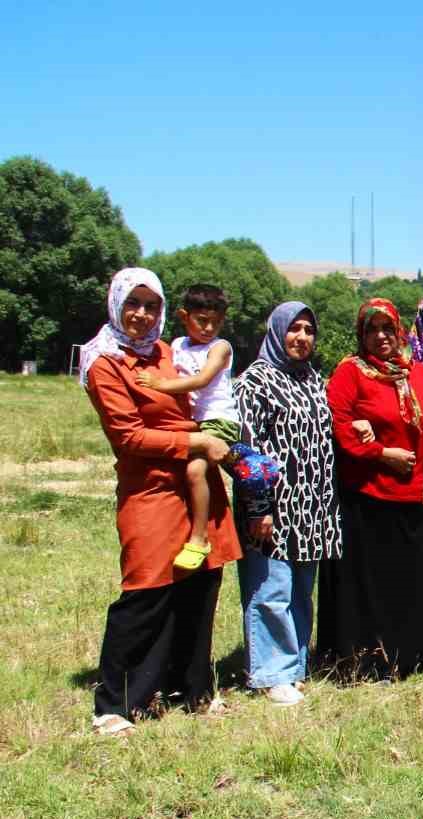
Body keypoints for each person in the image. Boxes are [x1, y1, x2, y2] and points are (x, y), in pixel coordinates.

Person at [83, 269, 241, 734]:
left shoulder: (169, 351)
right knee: (146, 591)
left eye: (152, 306)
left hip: (197, 483)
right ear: (115, 305)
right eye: (133, 303)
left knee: (199, 588)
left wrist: (211, 439)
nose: (141, 314)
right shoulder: (105, 363)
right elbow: (128, 437)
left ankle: (190, 689)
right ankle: (114, 703)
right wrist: (195, 443)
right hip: (150, 488)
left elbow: (209, 391)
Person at [319, 298, 423, 681]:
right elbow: (340, 429)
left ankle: (410, 656)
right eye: (372, 329)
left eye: (388, 328)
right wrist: (380, 454)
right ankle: (369, 662)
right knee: (373, 586)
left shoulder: (414, 373)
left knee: (412, 580)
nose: (381, 336)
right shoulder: (350, 373)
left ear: (399, 330)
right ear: (362, 334)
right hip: (369, 497)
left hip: (415, 497)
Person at [234, 301, 341, 706]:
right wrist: (258, 507)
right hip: (272, 507)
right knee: (270, 588)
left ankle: (294, 665)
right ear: (277, 332)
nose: (302, 337)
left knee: (300, 590)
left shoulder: (312, 380)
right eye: (294, 329)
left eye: (308, 330)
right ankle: (269, 672)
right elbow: (244, 448)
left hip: (311, 508)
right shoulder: (254, 381)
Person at [132, 284, 246, 571]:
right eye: (202, 320)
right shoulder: (177, 345)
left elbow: (201, 380)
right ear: (184, 316)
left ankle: (199, 538)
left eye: (216, 322)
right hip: (192, 421)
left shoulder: (220, 347)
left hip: (218, 419)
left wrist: (161, 386)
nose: (209, 328)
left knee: (195, 470)